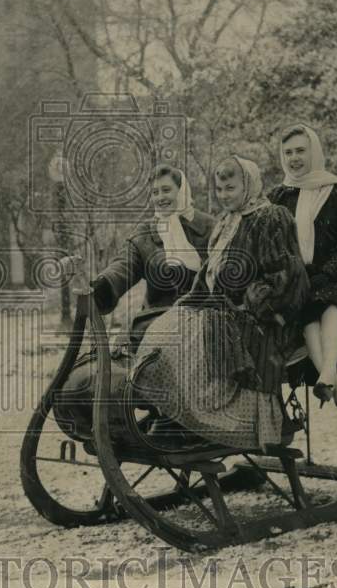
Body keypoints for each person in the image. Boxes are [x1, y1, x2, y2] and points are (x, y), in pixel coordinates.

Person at [131, 155, 310, 451]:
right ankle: (176, 417)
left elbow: (287, 277)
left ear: (248, 185)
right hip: (221, 308)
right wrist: (191, 302)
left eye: (231, 188)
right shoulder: (226, 221)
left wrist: (251, 302)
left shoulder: (270, 217)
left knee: (194, 337)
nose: (225, 196)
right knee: (165, 329)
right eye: (220, 189)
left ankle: (211, 424)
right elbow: (208, 273)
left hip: (261, 317)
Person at [53, 165, 215, 439]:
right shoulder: (145, 235)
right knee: (117, 370)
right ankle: (127, 423)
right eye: (154, 192)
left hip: (203, 320)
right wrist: (98, 286)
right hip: (153, 322)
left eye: (166, 190)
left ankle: (180, 421)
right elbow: (122, 268)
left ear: (182, 191)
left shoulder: (210, 227)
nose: (160, 197)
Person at [268, 124, 337, 417]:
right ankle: (333, 381)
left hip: (333, 277)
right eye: (288, 153)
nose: (294, 158)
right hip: (294, 280)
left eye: (300, 150)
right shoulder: (277, 197)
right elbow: (270, 245)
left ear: (314, 151)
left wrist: (324, 273)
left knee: (330, 301)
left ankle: (328, 376)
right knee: (306, 305)